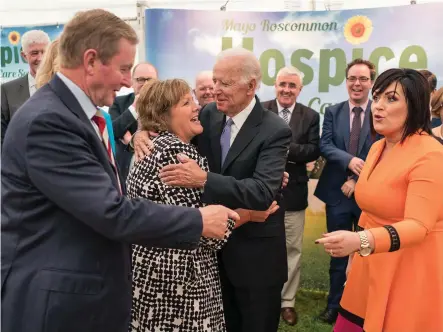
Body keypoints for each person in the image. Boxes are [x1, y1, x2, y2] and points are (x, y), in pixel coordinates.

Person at [1, 9, 238, 332]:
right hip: (57, 306)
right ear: (90, 61)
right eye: (124, 69)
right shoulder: (49, 121)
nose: (129, 82)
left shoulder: (73, 115)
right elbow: (110, 211)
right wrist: (199, 219)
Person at [133, 47, 292, 332]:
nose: (215, 90)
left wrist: (204, 178)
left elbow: (261, 193)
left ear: (251, 86)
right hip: (207, 261)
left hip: (255, 259)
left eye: (225, 83)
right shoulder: (207, 115)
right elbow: (166, 122)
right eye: (215, 81)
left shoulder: (275, 129)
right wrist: (142, 131)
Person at [316, 68, 443, 332]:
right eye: (378, 98)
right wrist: (358, 255)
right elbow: (370, 210)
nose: (378, 107)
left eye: (391, 99)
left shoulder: (431, 154)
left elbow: (419, 226)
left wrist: (359, 241)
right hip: (369, 263)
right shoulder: (377, 147)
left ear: (417, 105)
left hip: (409, 269)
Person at [314, 58, 377, 324]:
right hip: (336, 195)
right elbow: (325, 145)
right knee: (338, 253)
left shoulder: (380, 111)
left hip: (368, 195)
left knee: (367, 254)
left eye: (363, 79)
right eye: (352, 78)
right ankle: (334, 306)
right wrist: (349, 161)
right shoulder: (333, 112)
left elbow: (382, 146)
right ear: (346, 80)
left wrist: (355, 178)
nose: (357, 84)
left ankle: (363, 309)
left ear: (371, 83)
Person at [262, 66, 320, 326]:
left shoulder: (310, 116)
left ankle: (287, 302)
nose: (286, 89)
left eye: (292, 86)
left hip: (294, 194)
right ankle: (264, 296)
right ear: (275, 85)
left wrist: (282, 148)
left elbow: (312, 151)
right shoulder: (260, 110)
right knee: (261, 246)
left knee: (293, 249)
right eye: (282, 84)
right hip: (261, 193)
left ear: (300, 89)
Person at [108, 62, 158, 183]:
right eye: (140, 80)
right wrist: (134, 108)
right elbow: (112, 131)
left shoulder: (165, 105)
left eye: (149, 80)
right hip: (125, 172)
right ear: (132, 82)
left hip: (154, 171)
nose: (145, 84)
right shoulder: (118, 102)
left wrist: (128, 137)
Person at [1, 29, 50, 147]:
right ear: (24, 55)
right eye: (34, 53)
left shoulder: (63, 87)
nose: (40, 58)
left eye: (44, 52)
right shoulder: (7, 91)